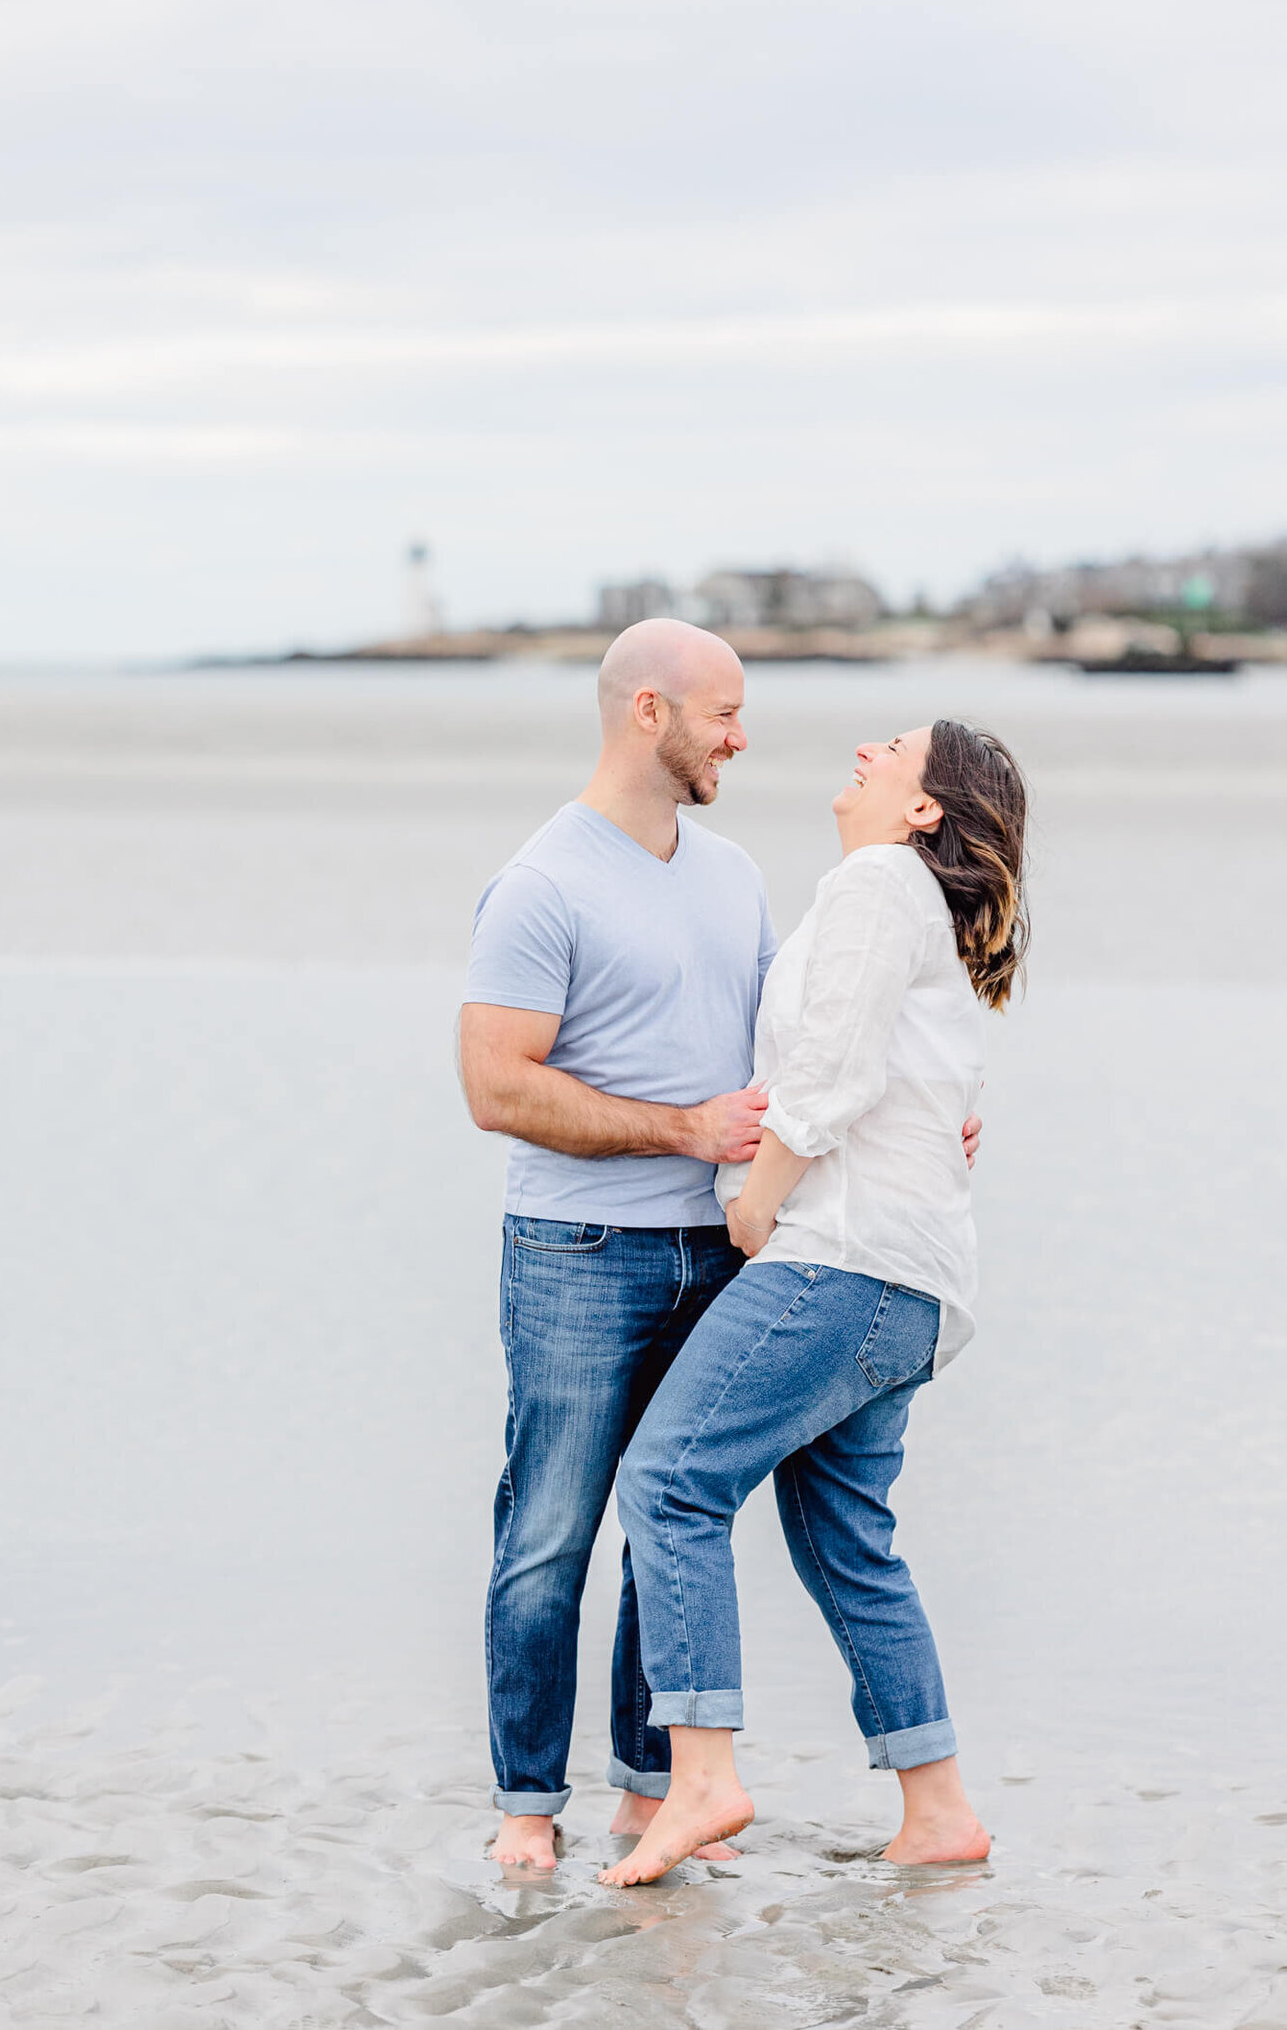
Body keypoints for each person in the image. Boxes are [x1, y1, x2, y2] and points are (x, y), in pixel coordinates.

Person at [460, 633, 982, 1870]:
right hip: (581, 1249)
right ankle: (528, 1811)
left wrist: (925, 1102)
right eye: (725, 714)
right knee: (548, 1533)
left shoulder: (738, 874)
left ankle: (654, 1791)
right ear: (651, 712)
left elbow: (806, 1044)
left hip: (732, 1242)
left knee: (667, 1522)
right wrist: (685, 1129)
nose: (742, 738)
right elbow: (494, 1088)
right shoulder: (540, 884)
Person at [597, 719, 1028, 1887]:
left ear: (925, 809)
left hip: (836, 1259)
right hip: (906, 1280)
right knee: (846, 1540)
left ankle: (700, 1778)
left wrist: (758, 1203)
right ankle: (937, 1810)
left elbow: (830, 1069)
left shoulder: (879, 882)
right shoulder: (905, 904)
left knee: (668, 1481)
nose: (869, 747)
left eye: (898, 747)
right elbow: (909, 1075)